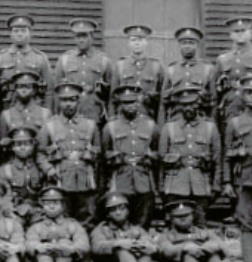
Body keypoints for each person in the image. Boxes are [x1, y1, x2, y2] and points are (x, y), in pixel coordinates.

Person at [37, 81, 101, 227]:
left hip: (85, 180)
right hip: (61, 179)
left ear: (78, 101)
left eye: (72, 99)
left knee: (87, 217)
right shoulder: (49, 126)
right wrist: (49, 169)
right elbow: (40, 154)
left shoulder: (90, 125)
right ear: (58, 101)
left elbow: (98, 152)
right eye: (64, 100)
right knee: (62, 217)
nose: (68, 104)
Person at [158, 84, 221, 227]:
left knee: (200, 225)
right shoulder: (169, 128)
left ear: (199, 104)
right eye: (184, 105)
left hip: (200, 185)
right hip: (175, 186)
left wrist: (216, 186)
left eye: (192, 104)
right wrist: (161, 187)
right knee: (174, 226)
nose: (188, 108)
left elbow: (217, 160)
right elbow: (162, 162)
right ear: (179, 105)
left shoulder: (210, 127)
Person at [101, 85, 159, 229]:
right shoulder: (110, 127)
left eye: (133, 102)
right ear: (119, 104)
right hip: (120, 180)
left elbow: (158, 153)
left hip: (144, 180)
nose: (130, 106)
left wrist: (148, 158)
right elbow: (104, 156)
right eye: (126, 103)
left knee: (143, 222)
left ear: (139, 103)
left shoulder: (151, 125)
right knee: (120, 221)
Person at [90, 192, 163, 262]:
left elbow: (153, 246)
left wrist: (145, 246)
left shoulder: (137, 229)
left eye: (122, 208)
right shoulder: (102, 229)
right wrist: (118, 243)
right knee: (122, 250)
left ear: (128, 211)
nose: (118, 212)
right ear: (108, 214)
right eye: (113, 210)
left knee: (146, 254)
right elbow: (95, 247)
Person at [25, 186, 90, 262]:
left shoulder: (72, 224)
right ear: (42, 206)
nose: (51, 206)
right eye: (47, 203)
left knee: (66, 244)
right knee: (43, 254)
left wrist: (70, 248)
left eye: (55, 202)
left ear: (63, 205)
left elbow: (84, 244)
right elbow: (28, 243)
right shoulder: (37, 226)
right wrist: (38, 247)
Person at [53, 19, 112, 126]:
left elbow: (111, 93)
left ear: (92, 37)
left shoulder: (103, 61)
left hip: (95, 116)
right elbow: (56, 92)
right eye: (78, 36)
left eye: (84, 36)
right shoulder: (64, 60)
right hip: (69, 117)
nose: (81, 40)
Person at [0, 15, 53, 115]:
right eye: (16, 31)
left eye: (23, 31)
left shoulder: (40, 58)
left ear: (29, 33)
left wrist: (47, 114)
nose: (19, 34)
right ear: (10, 34)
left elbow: (49, 91)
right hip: (7, 111)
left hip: (34, 113)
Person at [223, 74, 252, 262]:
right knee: (246, 225)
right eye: (249, 92)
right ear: (242, 96)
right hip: (245, 179)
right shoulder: (234, 123)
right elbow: (226, 154)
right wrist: (226, 182)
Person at [110, 25, 165, 122]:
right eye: (133, 40)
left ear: (146, 42)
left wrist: (160, 124)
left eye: (140, 40)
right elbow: (112, 99)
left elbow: (162, 100)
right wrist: (112, 121)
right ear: (128, 43)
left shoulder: (156, 66)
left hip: (149, 120)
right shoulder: (120, 66)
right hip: (124, 121)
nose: (137, 43)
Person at [161, 27, 216, 122]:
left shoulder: (207, 69)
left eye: (191, 43)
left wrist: (212, 126)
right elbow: (163, 103)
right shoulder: (171, 70)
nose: (187, 46)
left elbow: (214, 102)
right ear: (179, 46)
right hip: (176, 120)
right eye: (184, 43)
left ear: (197, 45)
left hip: (201, 120)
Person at [0, 126, 45, 227]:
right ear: (12, 147)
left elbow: (45, 194)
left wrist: (44, 212)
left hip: (38, 212)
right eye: (18, 144)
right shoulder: (5, 170)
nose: (22, 147)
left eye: (26, 144)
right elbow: (4, 197)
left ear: (32, 146)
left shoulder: (41, 169)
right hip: (15, 211)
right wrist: (9, 212)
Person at [215, 16, 252, 130]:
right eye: (236, 31)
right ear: (230, 35)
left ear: (250, 32)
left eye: (243, 31)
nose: (240, 34)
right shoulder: (223, 59)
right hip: (230, 106)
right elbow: (216, 88)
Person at [0, 71, 51, 141]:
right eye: (20, 87)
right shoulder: (6, 115)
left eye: (28, 87)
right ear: (15, 90)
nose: (23, 90)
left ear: (34, 90)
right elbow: (3, 143)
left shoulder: (46, 113)